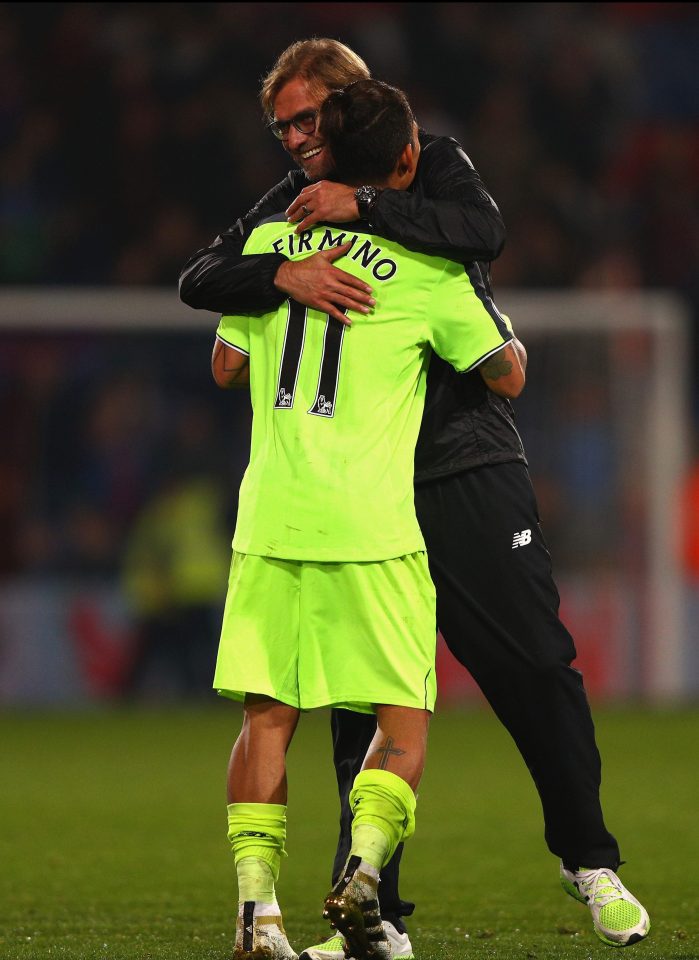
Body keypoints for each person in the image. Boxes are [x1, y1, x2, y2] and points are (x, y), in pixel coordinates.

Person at [180, 38, 650, 955]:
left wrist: (364, 206)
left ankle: (588, 859)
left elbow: (483, 232)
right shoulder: (292, 211)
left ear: (356, 106)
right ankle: (372, 919)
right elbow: (204, 273)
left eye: (307, 119)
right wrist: (281, 271)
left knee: (530, 667)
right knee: (361, 704)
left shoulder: (427, 162)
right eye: (281, 126)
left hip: (462, 465)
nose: (294, 141)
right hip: (361, 484)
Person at [210, 78, 521, 960]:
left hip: (271, 517)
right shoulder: (428, 270)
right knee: (403, 721)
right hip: (373, 526)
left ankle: (256, 915)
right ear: (400, 164)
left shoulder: (274, 244)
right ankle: (365, 873)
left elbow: (227, 368)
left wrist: (277, 294)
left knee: (264, 721)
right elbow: (507, 373)